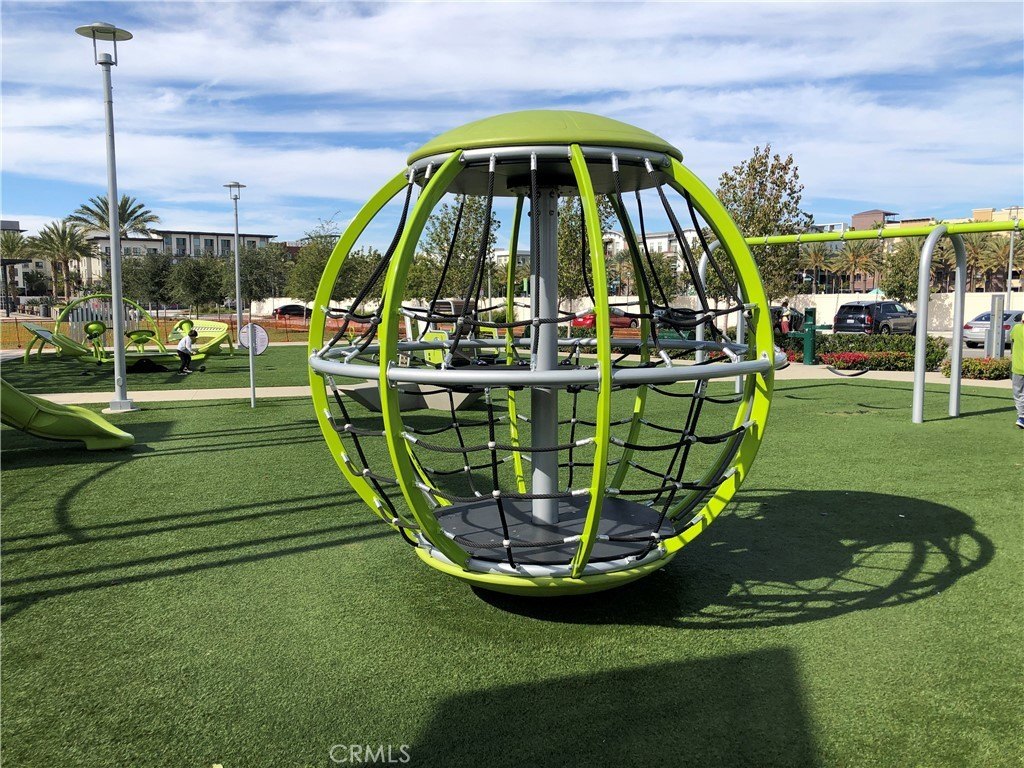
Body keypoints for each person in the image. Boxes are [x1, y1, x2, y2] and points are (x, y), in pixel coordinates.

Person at [1011, 319, 1024, 429]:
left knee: (1019, 393)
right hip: (1018, 368)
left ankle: (1022, 417)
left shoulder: (1017, 328)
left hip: (1018, 368)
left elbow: (1011, 338)